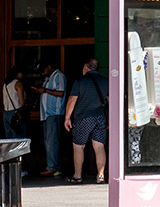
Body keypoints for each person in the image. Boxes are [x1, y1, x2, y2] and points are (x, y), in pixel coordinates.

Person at [68, 56, 108, 186]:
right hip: (100, 118)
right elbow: (111, 101)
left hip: (83, 118)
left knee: (78, 147)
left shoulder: (80, 81)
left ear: (86, 67)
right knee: (99, 146)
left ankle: (77, 176)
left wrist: (67, 117)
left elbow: (72, 100)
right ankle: (100, 175)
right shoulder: (105, 81)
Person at [37, 59, 71, 183]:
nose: (42, 73)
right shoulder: (48, 78)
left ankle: (52, 167)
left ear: (49, 66)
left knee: (52, 140)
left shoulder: (59, 76)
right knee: (48, 140)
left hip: (54, 113)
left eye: (43, 70)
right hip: (47, 114)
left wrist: (44, 90)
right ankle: (52, 166)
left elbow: (61, 93)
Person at [1, 66, 31, 173]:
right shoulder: (18, 83)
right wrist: (29, 100)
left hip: (6, 114)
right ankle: (18, 169)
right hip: (17, 114)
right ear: (17, 73)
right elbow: (22, 102)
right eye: (21, 72)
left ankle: (10, 167)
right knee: (18, 141)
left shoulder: (5, 84)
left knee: (9, 142)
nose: (23, 75)